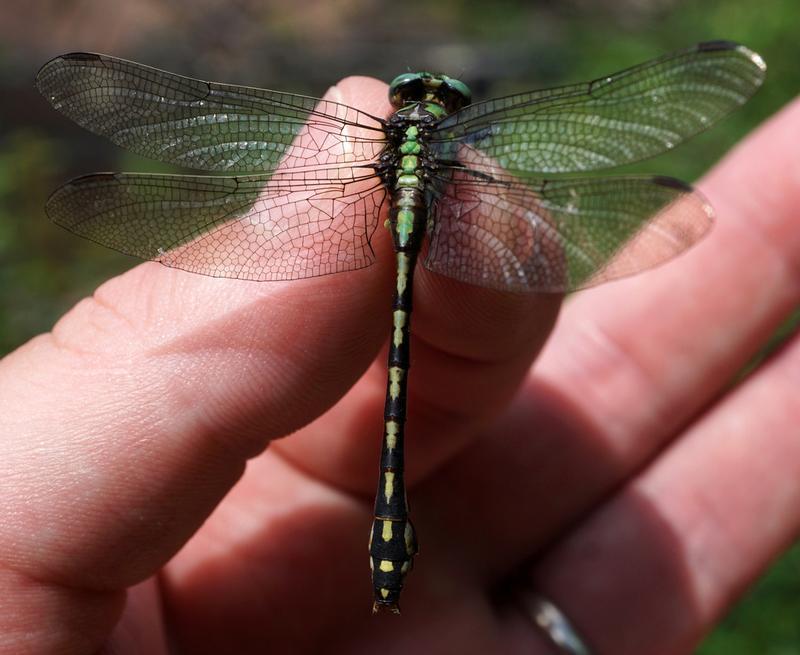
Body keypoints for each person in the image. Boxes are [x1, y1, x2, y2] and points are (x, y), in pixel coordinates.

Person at [1, 77, 797, 655]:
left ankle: (386, 545)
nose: (423, 103)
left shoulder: (381, 146)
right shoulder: (446, 156)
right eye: (424, 98)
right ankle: (395, 544)